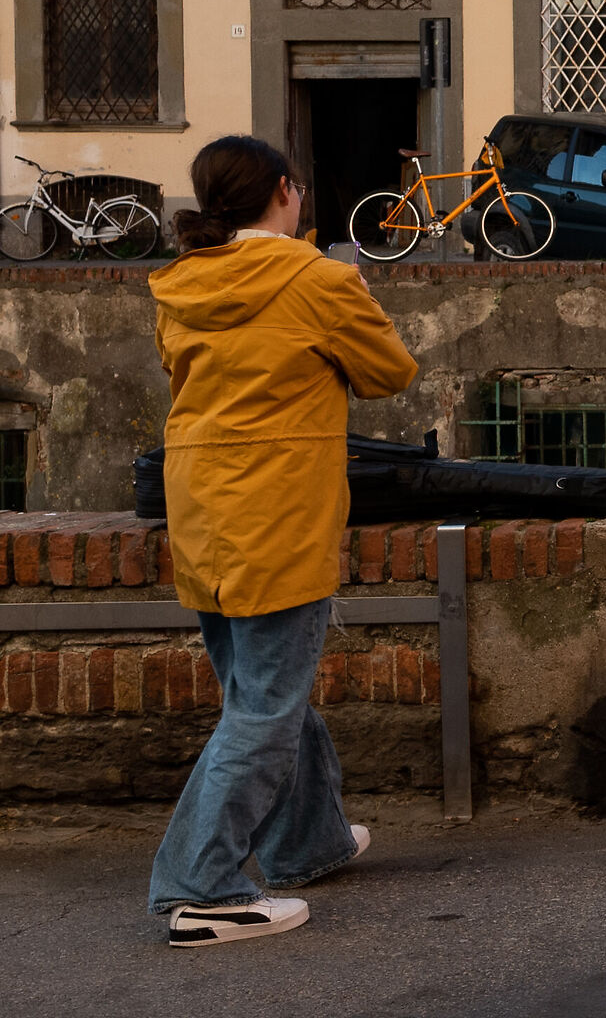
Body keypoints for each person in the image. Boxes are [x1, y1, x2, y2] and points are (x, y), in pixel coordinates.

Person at [147, 136, 419, 945]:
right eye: (296, 187)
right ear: (282, 191)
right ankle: (199, 887)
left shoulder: (182, 283)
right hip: (277, 508)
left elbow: (180, 372)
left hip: (202, 504)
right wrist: (356, 295)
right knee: (265, 709)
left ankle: (307, 841)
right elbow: (389, 372)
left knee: (262, 692)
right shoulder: (316, 278)